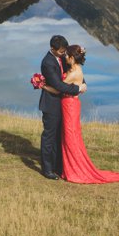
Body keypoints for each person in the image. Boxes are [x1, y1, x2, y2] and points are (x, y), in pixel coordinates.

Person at [54, 44, 119, 184]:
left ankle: (74, 170)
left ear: (72, 57)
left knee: (70, 137)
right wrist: (79, 87)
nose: (65, 57)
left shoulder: (74, 73)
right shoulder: (76, 69)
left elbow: (59, 87)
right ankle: (70, 168)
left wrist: (43, 84)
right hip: (71, 105)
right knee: (71, 136)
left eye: (67, 56)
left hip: (70, 105)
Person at [37, 35, 85, 180]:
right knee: (49, 137)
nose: (64, 54)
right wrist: (77, 89)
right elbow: (58, 85)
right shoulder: (47, 62)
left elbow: (73, 69)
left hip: (65, 105)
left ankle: (59, 166)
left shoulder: (61, 57)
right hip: (51, 105)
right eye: (61, 51)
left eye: (65, 51)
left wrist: (81, 82)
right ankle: (47, 169)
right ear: (53, 49)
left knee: (60, 136)